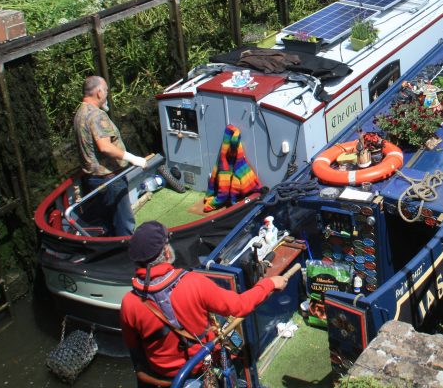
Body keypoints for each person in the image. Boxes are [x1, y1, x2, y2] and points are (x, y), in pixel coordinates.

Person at [120, 221, 288, 385]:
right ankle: (241, 370)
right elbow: (240, 306)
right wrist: (269, 283)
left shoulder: (129, 303)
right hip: (200, 367)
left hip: (162, 375)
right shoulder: (193, 283)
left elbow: (133, 346)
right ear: (167, 252)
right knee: (232, 333)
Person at [74, 75, 146, 236]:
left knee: (108, 222)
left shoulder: (80, 113)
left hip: (93, 179)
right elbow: (104, 146)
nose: (107, 94)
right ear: (99, 92)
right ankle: (126, 255)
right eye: (106, 90)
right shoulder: (96, 115)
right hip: (109, 180)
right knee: (123, 222)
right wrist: (133, 158)